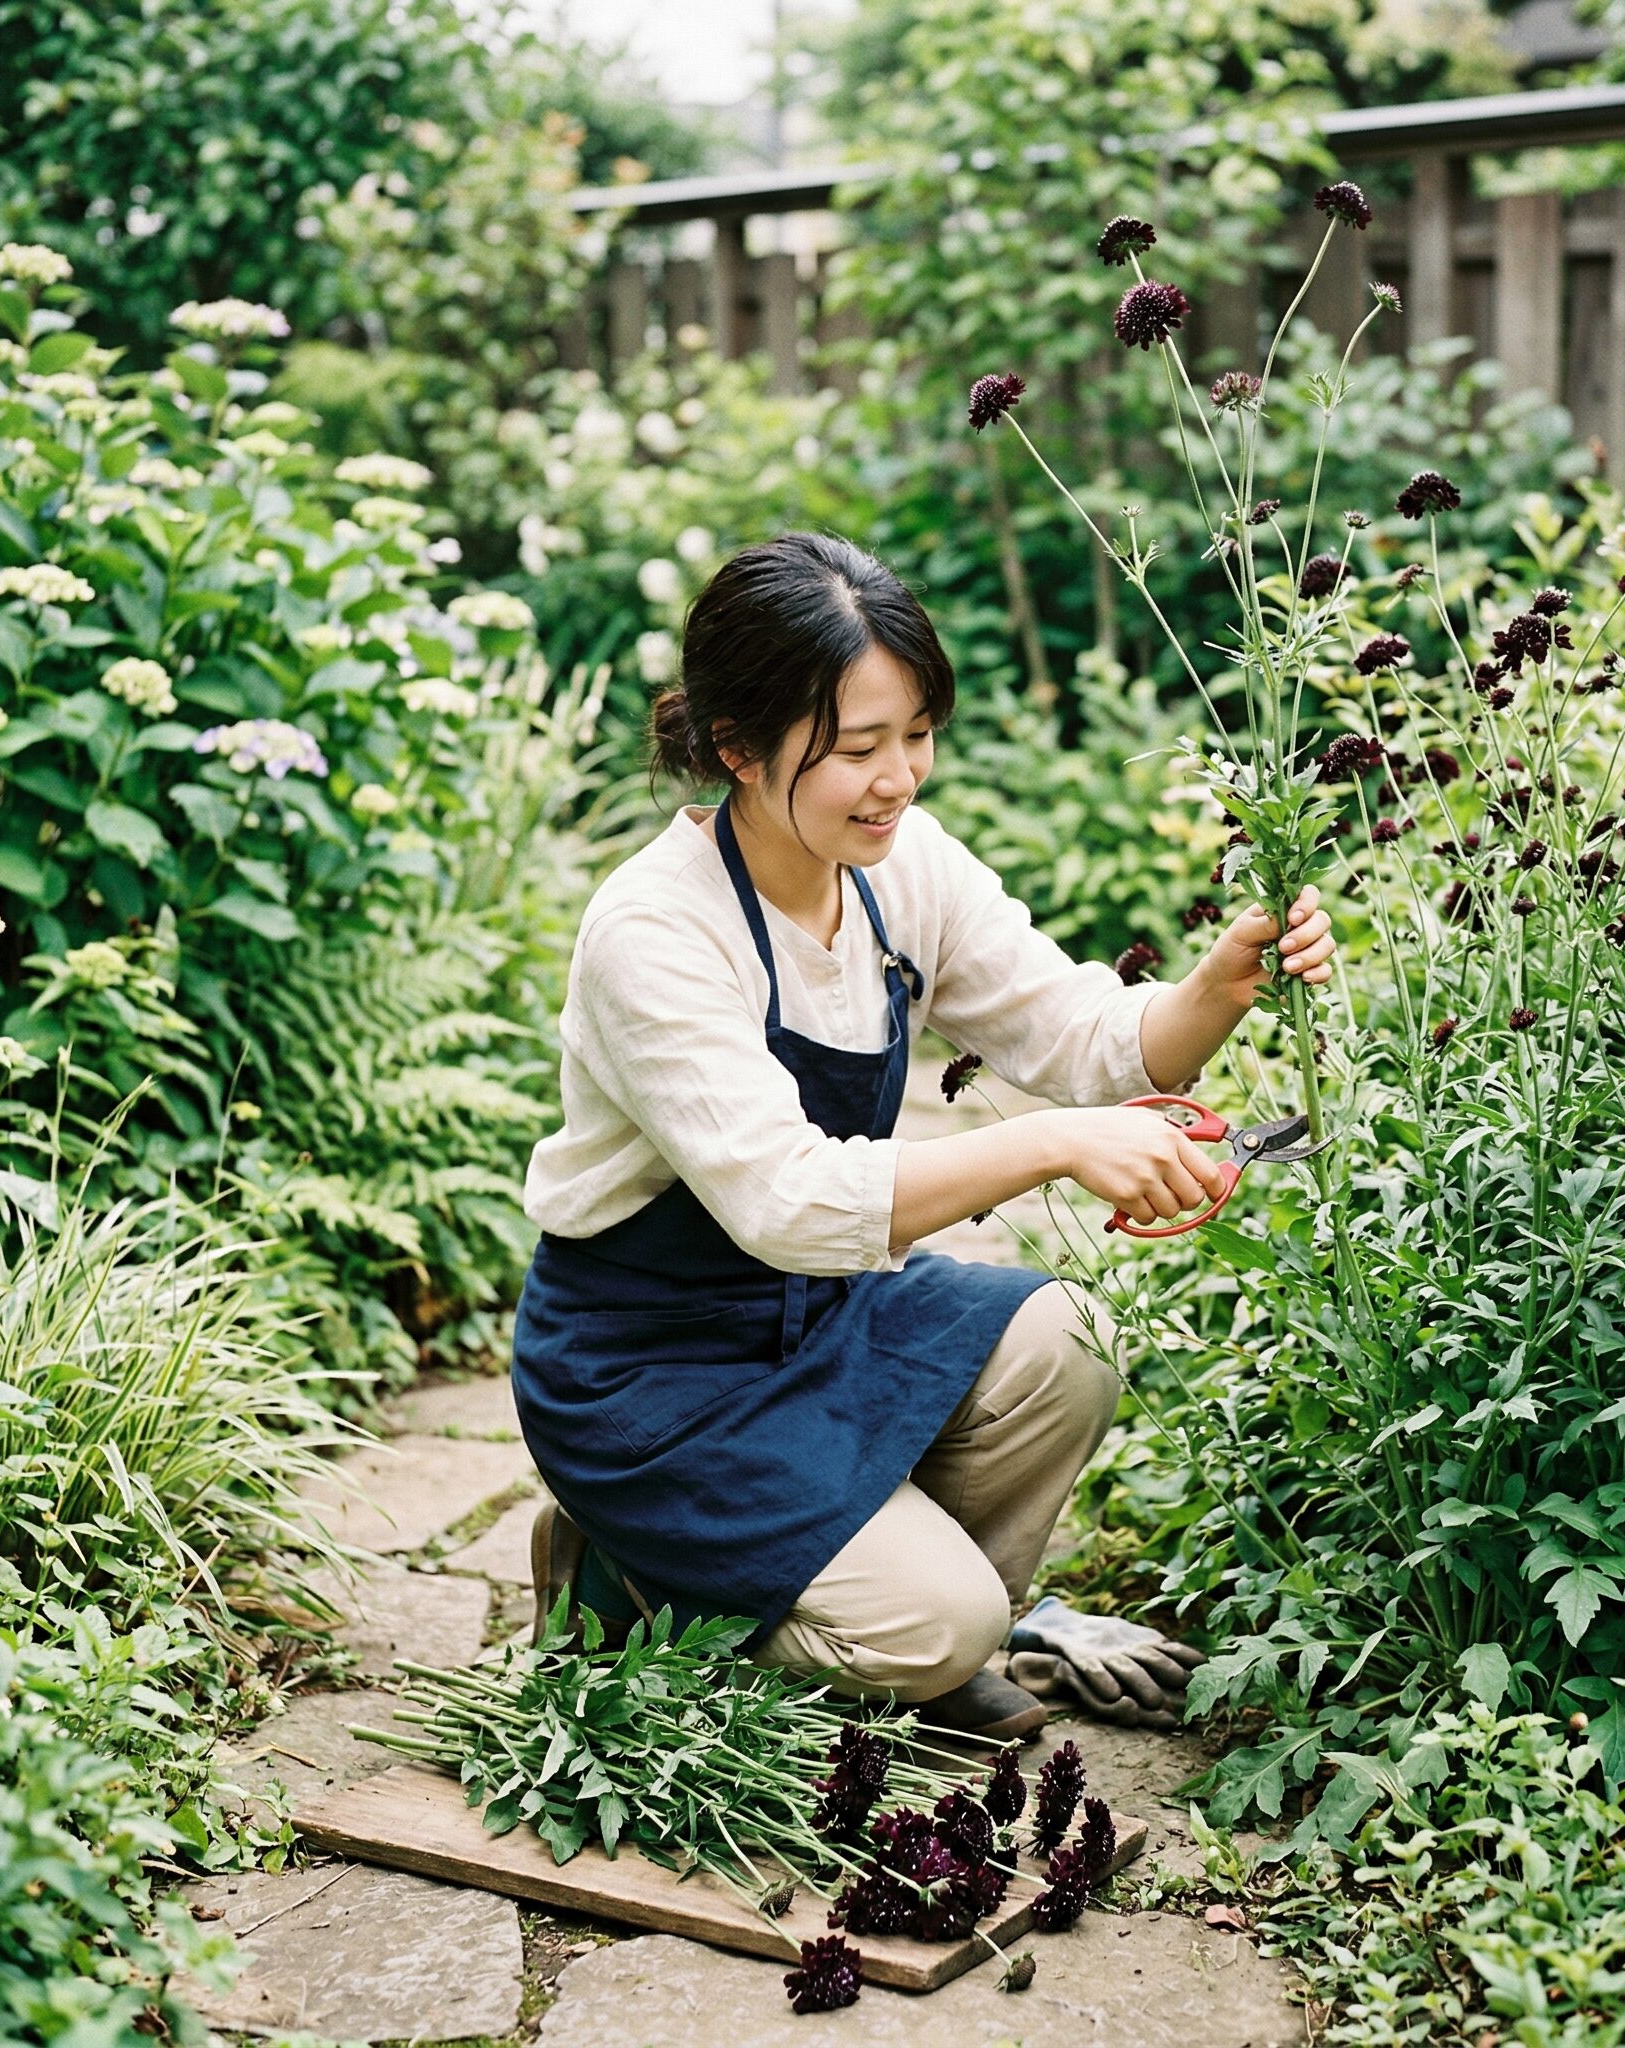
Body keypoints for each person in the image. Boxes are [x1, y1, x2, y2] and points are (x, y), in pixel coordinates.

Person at [513, 532, 1334, 1743]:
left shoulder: (901, 867)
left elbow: (1083, 1039)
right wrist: (1056, 1143)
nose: (898, 777)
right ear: (737, 750)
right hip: (655, 1371)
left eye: (914, 735)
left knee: (1072, 1333)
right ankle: (634, 1577)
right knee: (937, 1620)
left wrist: (1220, 980)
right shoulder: (654, 930)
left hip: (824, 1316)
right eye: (856, 748)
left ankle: (892, 1611)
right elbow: (789, 1204)